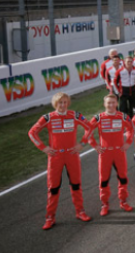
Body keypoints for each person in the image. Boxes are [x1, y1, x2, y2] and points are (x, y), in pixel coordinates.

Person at [28, 92, 93, 229]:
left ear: (68, 103)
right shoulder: (47, 118)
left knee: (76, 184)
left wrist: (82, 144)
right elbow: (32, 132)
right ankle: (50, 217)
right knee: (53, 188)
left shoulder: (75, 115)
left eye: (65, 102)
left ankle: (80, 211)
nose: (62, 105)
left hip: (72, 155)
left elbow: (90, 128)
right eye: (60, 103)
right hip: (55, 157)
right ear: (55, 104)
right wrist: (44, 148)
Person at [85, 95, 135, 215]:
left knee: (123, 178)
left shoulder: (123, 116)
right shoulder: (98, 118)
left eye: (113, 103)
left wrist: (128, 142)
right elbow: (88, 132)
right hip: (105, 153)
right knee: (104, 180)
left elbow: (130, 130)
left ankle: (123, 201)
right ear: (104, 104)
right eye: (108, 103)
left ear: (117, 103)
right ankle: (105, 204)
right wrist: (95, 145)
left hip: (119, 152)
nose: (111, 105)